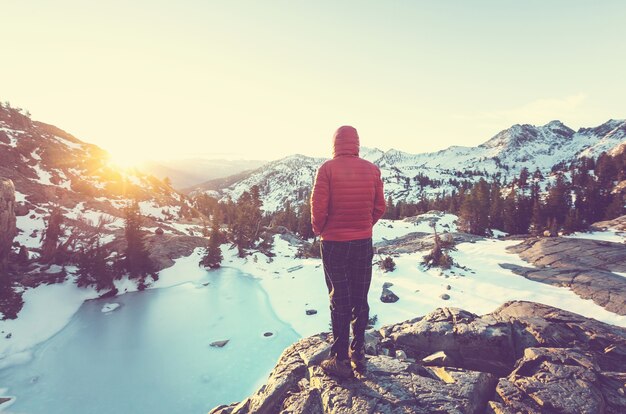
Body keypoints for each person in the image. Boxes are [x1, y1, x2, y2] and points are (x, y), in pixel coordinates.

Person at [310, 125, 385, 378]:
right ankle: (359, 351)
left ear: (335, 144)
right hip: (363, 242)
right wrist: (364, 225)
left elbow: (318, 208)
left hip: (333, 244)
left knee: (339, 298)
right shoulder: (372, 169)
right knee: (360, 297)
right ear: (356, 143)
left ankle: (340, 359)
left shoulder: (327, 169)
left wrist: (321, 229)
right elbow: (380, 207)